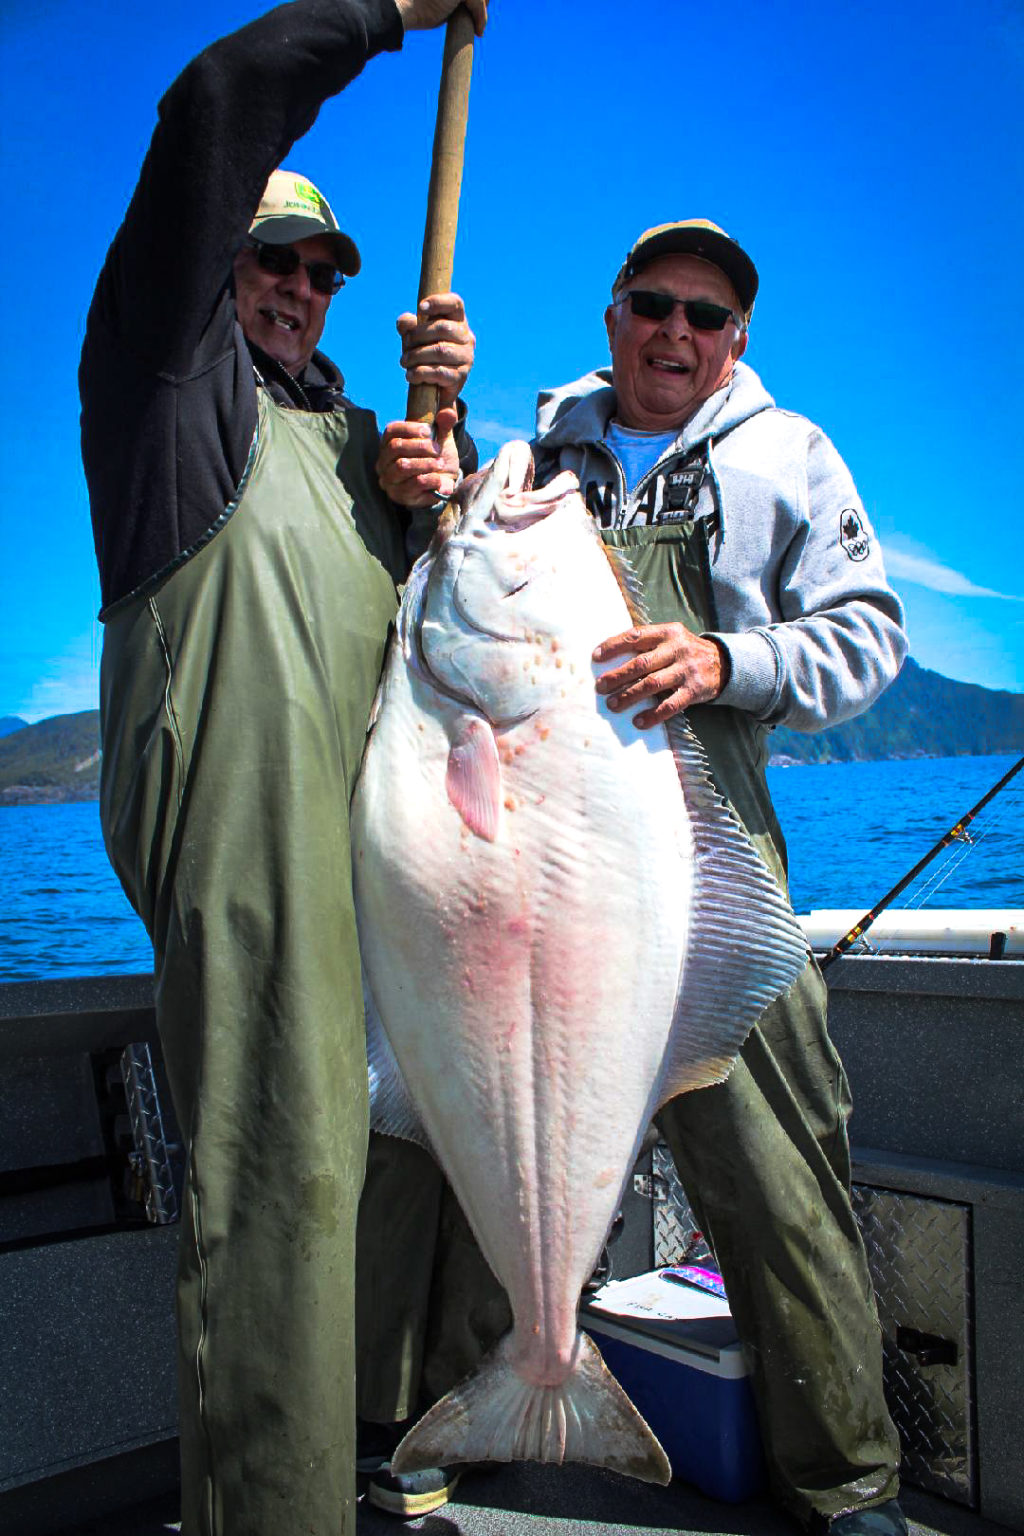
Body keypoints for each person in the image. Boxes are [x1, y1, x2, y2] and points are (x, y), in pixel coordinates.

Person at [368, 220, 909, 1536]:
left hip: (699, 873)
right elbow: (449, 585)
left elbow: (869, 638)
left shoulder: (788, 456)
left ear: (737, 345)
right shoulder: (542, 458)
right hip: (520, 874)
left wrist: (725, 663)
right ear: (613, 317)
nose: (678, 332)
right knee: (469, 1137)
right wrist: (417, 469)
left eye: (707, 317)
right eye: (654, 304)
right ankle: (467, 1411)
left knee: (782, 1170)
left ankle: (845, 1482)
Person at [78, 1, 487, 1533]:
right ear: (217, 270)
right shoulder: (162, 399)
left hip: (386, 869)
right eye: (270, 260)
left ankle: (399, 1450)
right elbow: (213, 107)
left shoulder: (358, 445)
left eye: (323, 272)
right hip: (255, 870)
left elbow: (459, 638)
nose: (301, 289)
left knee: (421, 1161)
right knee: (280, 1206)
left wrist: (436, 457)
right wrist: (387, 13)